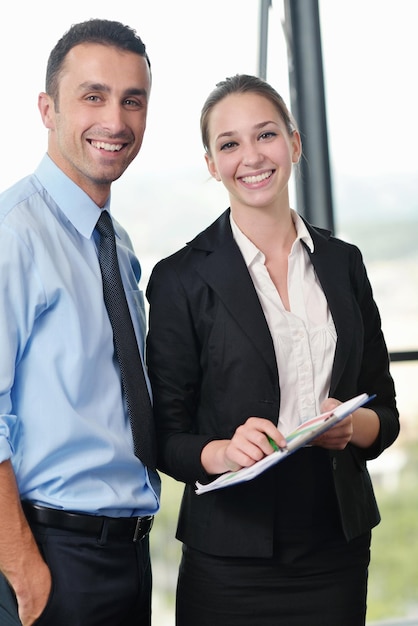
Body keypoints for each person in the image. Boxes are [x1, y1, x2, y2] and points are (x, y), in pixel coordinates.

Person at [146, 74, 399, 626]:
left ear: (295, 143)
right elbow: (165, 436)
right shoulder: (179, 280)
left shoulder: (343, 263)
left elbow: (386, 411)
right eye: (229, 143)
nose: (251, 156)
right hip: (230, 559)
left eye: (266, 135)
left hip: (336, 544)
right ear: (211, 163)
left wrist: (351, 428)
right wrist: (221, 453)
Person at [0, 19, 160, 626]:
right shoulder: (13, 234)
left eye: (132, 100)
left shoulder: (116, 247)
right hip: (48, 554)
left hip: (127, 554)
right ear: (48, 108)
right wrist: (21, 564)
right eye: (92, 96)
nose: (115, 121)